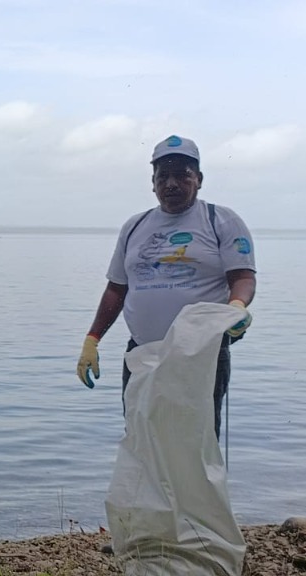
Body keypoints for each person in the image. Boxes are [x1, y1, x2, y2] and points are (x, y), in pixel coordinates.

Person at [77, 135, 256, 439]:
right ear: (153, 183)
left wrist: (237, 306)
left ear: (198, 179)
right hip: (142, 353)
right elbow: (116, 289)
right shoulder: (135, 226)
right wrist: (92, 339)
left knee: (196, 444)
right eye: (163, 176)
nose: (171, 183)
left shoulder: (220, 220)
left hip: (201, 355)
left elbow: (242, 277)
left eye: (182, 175)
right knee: (141, 439)